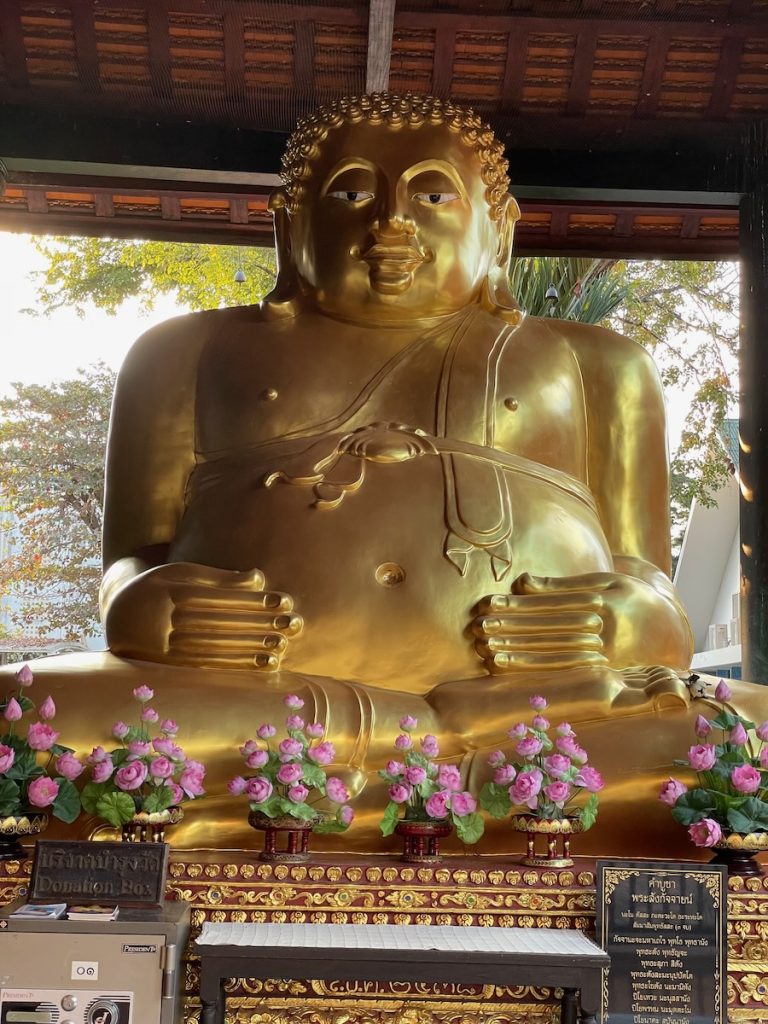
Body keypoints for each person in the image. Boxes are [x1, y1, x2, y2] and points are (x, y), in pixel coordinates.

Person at [10, 93, 759, 853]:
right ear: (288, 225)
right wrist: (145, 604)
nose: (391, 220)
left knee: (744, 736)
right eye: (353, 192)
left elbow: (653, 588)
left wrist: (623, 617)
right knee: (26, 715)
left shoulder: (597, 362)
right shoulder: (184, 353)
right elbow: (129, 564)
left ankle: (303, 797)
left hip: (535, 701)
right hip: (264, 702)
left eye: (433, 193)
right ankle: (463, 778)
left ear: (498, 231)